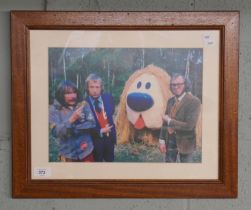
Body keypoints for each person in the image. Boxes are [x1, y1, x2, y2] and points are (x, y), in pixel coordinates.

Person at [49, 80, 96, 162]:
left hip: (86, 150)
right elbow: (55, 132)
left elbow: (92, 123)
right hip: (68, 154)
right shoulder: (54, 110)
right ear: (61, 95)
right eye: (68, 93)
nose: (73, 96)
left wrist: (75, 126)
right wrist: (71, 120)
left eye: (74, 92)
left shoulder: (83, 104)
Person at [159, 73, 201, 163]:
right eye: (173, 85)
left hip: (186, 142)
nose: (176, 87)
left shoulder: (194, 101)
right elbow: (165, 122)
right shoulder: (170, 101)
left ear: (185, 85)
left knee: (186, 171)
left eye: (179, 84)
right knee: (169, 168)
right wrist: (162, 140)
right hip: (170, 141)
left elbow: (189, 126)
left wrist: (169, 120)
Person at [85, 73, 117, 162]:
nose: (94, 90)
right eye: (91, 87)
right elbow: (84, 126)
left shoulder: (108, 97)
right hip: (94, 141)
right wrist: (100, 131)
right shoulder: (84, 104)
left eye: (97, 87)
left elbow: (112, 111)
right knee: (97, 163)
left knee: (110, 161)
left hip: (109, 137)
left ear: (101, 87)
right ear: (87, 88)